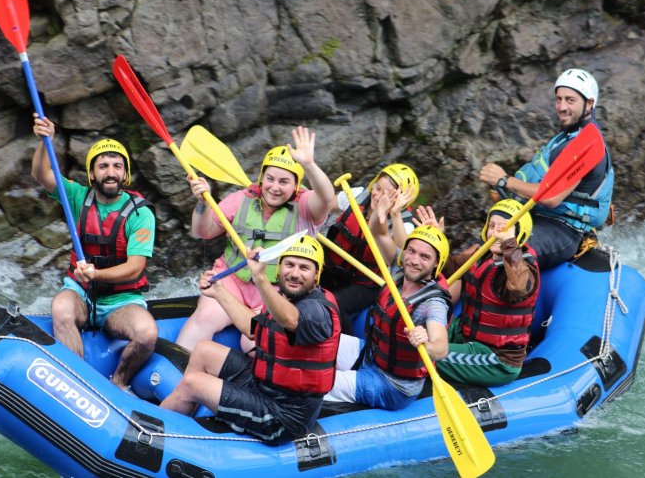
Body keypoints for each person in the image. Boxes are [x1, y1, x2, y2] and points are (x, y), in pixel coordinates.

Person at [160, 236, 341, 444]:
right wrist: (219, 292)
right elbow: (254, 330)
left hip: (283, 417)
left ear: (317, 275)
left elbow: (291, 320)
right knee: (203, 350)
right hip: (263, 386)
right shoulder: (283, 296)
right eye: (289, 265)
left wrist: (260, 279)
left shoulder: (318, 312)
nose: (295, 274)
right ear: (280, 269)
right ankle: (185, 414)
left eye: (304, 268)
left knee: (193, 383)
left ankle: (154, 438)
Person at [176, 126, 335, 353]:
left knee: (252, 340)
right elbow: (204, 232)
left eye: (284, 182)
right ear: (261, 178)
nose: (274, 187)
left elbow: (327, 198)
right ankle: (176, 370)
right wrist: (203, 203)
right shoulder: (241, 199)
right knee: (205, 317)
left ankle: (244, 384)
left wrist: (308, 164)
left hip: (276, 291)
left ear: (296, 186)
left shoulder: (306, 207)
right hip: (232, 280)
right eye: (270, 179)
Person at [32, 115, 157, 391]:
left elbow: (135, 267)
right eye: (103, 166)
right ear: (92, 174)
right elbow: (42, 175)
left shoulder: (140, 213)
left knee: (147, 333)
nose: (110, 172)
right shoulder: (76, 196)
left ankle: (119, 383)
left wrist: (97, 274)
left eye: (116, 166)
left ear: (125, 174)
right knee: (61, 307)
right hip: (81, 293)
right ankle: (78, 385)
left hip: (122, 300)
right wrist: (45, 142)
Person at [479, 68, 614, 269]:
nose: (561, 106)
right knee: (480, 249)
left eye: (570, 100)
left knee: (506, 255)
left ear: (589, 103)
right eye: (559, 99)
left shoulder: (588, 143)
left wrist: (505, 181)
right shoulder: (567, 135)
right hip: (538, 217)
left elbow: (551, 197)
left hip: (564, 229)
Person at [324, 225, 450, 411]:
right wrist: (387, 210)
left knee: (317, 378)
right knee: (319, 340)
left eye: (425, 257)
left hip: (393, 386)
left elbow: (442, 347)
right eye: (411, 251)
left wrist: (426, 343)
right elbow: (378, 231)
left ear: (436, 264)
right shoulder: (398, 270)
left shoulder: (432, 304)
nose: (414, 260)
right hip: (370, 356)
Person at [436, 199, 540, 386]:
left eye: (504, 228)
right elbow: (446, 267)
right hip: (466, 336)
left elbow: (518, 286)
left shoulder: (526, 268)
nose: (496, 232)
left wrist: (508, 244)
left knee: (423, 353)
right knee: (407, 337)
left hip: (496, 359)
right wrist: (435, 240)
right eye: (492, 226)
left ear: (518, 234)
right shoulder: (481, 255)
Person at [321, 164, 419, 335]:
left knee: (334, 302)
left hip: (366, 284)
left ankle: (346, 348)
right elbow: (326, 204)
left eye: (387, 194)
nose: (378, 196)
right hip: (332, 269)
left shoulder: (405, 223)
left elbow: (404, 256)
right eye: (378, 188)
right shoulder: (358, 195)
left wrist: (394, 214)